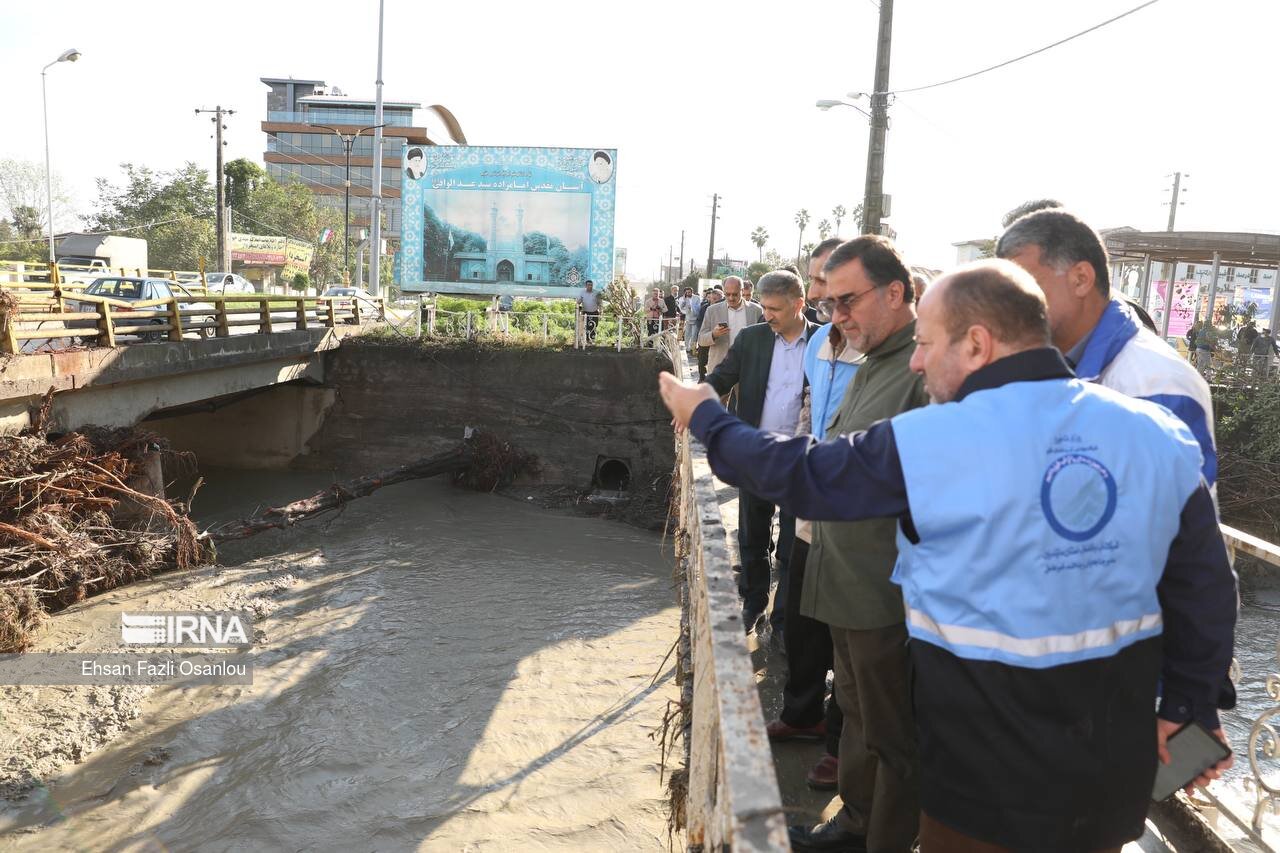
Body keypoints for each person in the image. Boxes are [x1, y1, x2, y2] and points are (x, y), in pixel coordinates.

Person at [660, 259, 1237, 853]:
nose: (915, 361)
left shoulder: (935, 438)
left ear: (978, 345)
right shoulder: (1157, 433)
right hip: (1111, 780)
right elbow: (1205, 588)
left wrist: (706, 415)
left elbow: (806, 474)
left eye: (927, 344)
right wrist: (1191, 703)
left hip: (981, 781)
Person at [789, 236, 931, 851]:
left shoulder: (921, 369)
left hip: (884, 590)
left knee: (888, 729)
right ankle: (854, 822)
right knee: (853, 711)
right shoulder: (871, 359)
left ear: (896, 293)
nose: (836, 315)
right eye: (828, 303)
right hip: (844, 577)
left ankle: (882, 838)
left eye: (847, 301)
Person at [997, 209, 1218, 487]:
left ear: (1081, 278)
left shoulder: (1159, 384)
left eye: (1024, 286)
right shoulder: (1029, 368)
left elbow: (1174, 522)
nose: (1010, 306)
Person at [765, 238, 861, 794]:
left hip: (854, 507)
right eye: (816, 281)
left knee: (848, 637)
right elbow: (811, 410)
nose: (821, 294)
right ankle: (802, 712)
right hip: (812, 499)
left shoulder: (881, 352)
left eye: (827, 282)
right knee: (800, 614)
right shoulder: (819, 344)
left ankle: (840, 747)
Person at [704, 270, 817, 635]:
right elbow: (722, 377)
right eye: (764, 307)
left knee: (790, 545)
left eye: (775, 309)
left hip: (801, 461)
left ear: (799, 305)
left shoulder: (823, 343)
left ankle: (783, 618)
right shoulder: (752, 339)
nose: (766, 315)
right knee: (751, 538)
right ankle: (753, 603)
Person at [699, 276, 763, 374]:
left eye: (735, 294)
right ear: (724, 292)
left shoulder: (756, 310)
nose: (731, 298)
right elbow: (701, 340)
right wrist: (713, 335)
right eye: (727, 294)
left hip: (747, 369)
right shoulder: (712, 311)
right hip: (720, 368)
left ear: (742, 291)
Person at [694, 288, 722, 379]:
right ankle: (702, 378)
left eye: (717, 299)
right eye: (712, 299)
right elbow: (699, 322)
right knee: (702, 359)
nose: (714, 301)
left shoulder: (723, 309)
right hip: (706, 337)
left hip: (719, 340)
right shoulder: (705, 308)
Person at [577, 280, 601, 344]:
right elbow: (579, 301)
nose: (590, 286)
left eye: (591, 285)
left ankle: (592, 340)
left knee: (594, 326)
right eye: (588, 285)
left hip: (594, 312)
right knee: (586, 326)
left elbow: (600, 303)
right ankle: (586, 340)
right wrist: (578, 304)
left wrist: (601, 311)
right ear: (586, 286)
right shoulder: (582, 292)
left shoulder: (596, 292)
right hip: (585, 312)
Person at [679, 286, 701, 352]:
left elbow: (698, 307)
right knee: (687, 333)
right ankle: (687, 347)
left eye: (689, 292)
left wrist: (691, 307)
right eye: (686, 293)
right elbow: (681, 307)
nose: (688, 294)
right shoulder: (684, 298)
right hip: (688, 318)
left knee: (694, 334)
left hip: (695, 318)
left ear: (692, 292)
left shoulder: (697, 298)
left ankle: (693, 348)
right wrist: (684, 300)